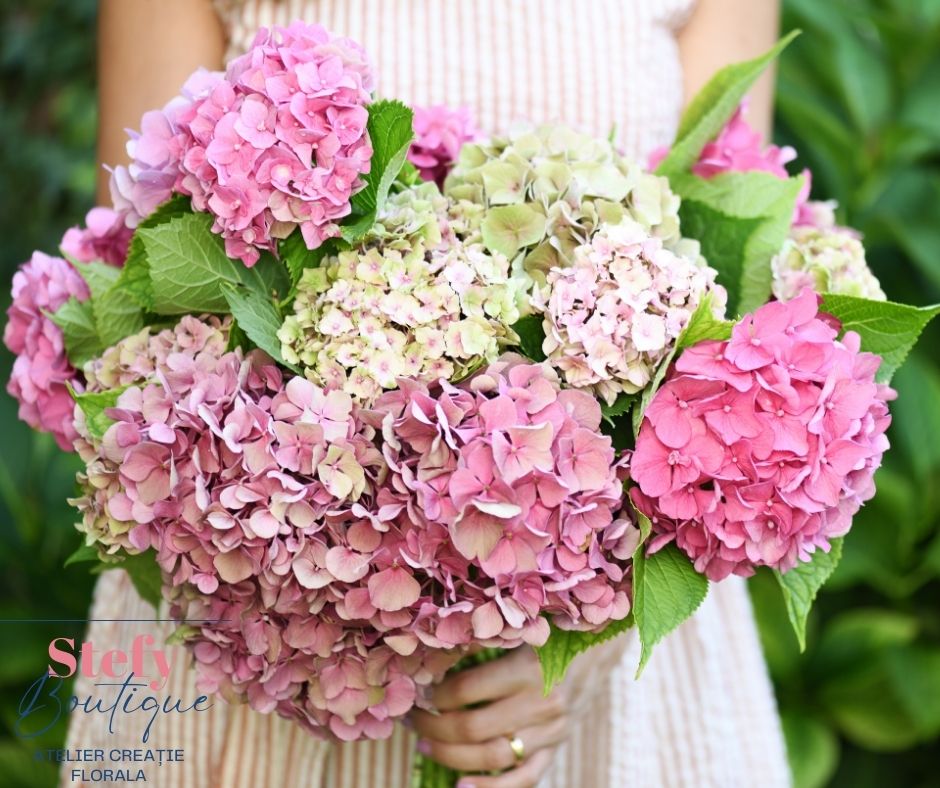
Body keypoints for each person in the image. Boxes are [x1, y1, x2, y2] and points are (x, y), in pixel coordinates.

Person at [67, 1, 789, 786]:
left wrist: (583, 642)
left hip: (612, 659)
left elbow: (727, 314)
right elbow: (141, 288)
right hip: (275, 634)